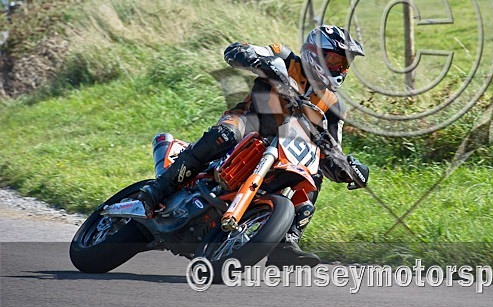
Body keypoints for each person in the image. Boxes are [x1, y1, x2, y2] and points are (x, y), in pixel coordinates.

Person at [136, 26, 370, 267]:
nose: (339, 68)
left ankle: (287, 243)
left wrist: (348, 168)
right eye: (334, 59)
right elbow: (235, 50)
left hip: (287, 148)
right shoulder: (284, 57)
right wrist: (260, 62)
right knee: (226, 134)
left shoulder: (333, 106)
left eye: (343, 64)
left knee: (314, 172)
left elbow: (332, 148)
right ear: (315, 52)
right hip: (251, 122)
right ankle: (159, 189)